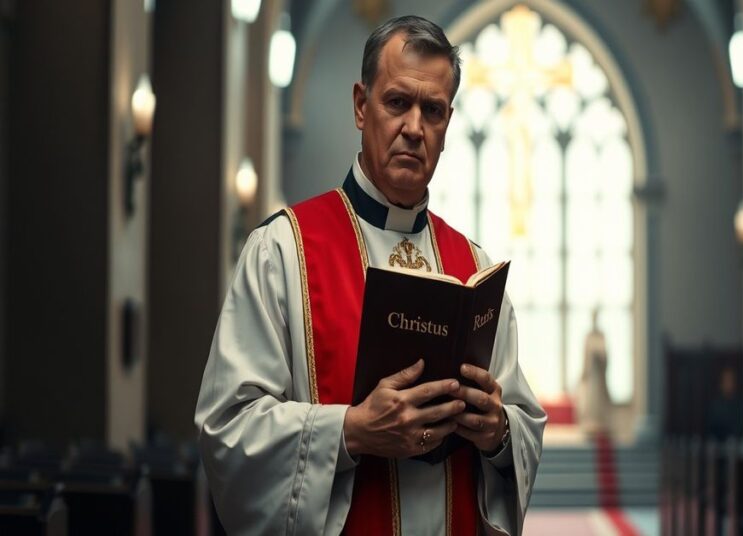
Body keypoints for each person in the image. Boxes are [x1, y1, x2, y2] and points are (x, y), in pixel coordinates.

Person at [194, 15, 546, 535]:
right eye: (397, 102)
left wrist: (497, 431)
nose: (414, 128)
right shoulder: (283, 250)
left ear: (448, 124)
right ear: (361, 105)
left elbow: (522, 422)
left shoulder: (475, 269)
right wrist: (351, 430)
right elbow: (227, 428)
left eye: (433, 110)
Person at [576, 309, 612, 436]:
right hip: (591, 375)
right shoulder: (588, 336)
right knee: (589, 401)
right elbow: (585, 357)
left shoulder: (601, 335)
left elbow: (605, 355)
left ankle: (599, 424)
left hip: (599, 376)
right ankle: (590, 425)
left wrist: (599, 356)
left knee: (599, 402)